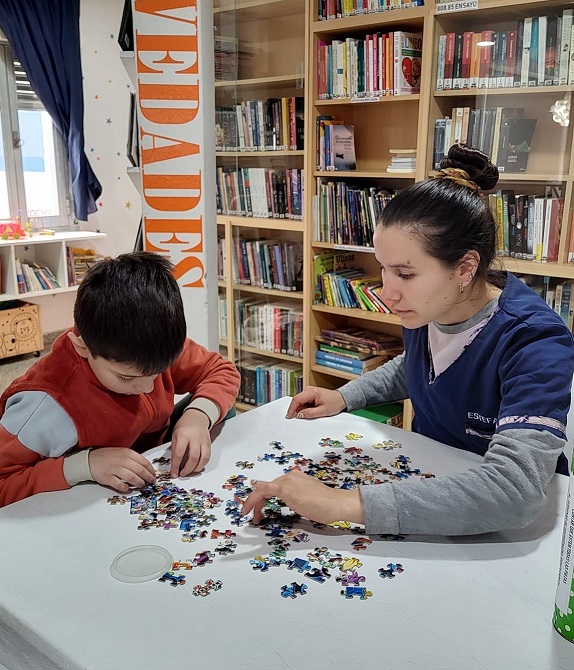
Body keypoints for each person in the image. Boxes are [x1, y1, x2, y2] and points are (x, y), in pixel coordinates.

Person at [243, 144, 574, 536]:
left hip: (499, 528)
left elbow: (515, 491)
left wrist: (343, 503)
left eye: (405, 273)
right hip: (428, 482)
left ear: (466, 267)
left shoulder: (537, 342)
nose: (387, 292)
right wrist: (348, 396)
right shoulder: (428, 308)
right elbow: (420, 365)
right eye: (383, 269)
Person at [0, 252, 240, 507]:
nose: (147, 387)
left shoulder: (151, 346)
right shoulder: (46, 406)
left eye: (158, 373)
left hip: (144, 454)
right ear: (82, 348)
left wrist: (198, 417)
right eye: (127, 378)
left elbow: (221, 370)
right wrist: (84, 465)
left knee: (218, 406)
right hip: (83, 487)